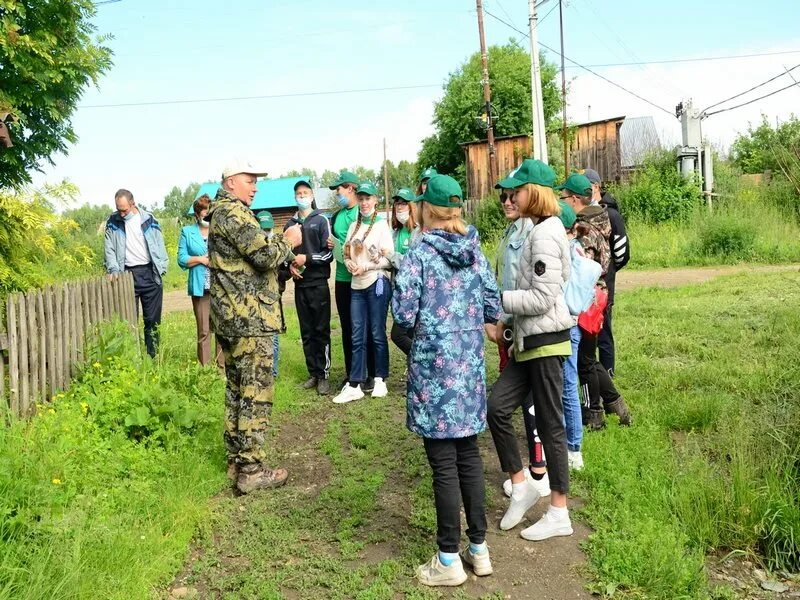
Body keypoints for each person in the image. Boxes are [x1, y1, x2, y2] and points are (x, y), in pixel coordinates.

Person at [393, 174, 501, 587]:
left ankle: (447, 559)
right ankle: (479, 549)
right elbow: (492, 303)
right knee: (469, 456)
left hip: (433, 371)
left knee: (443, 464)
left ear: (426, 209)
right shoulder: (475, 250)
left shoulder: (419, 254)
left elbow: (403, 316)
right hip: (469, 369)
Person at [486, 159, 574, 542]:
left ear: (533, 193)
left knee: (551, 426)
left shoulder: (545, 235)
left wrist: (496, 300)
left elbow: (542, 297)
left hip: (545, 342)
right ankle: (521, 486)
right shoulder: (537, 230)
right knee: (497, 409)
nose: (511, 196)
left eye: (517, 190)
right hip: (527, 341)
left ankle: (559, 511)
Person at [208, 160, 303, 494]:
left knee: (237, 388)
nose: (255, 186)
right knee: (255, 391)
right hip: (248, 319)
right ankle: (251, 468)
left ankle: (236, 459)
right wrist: (287, 239)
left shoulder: (223, 212)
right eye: (250, 180)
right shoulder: (232, 213)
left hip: (233, 316)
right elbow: (263, 256)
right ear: (231, 181)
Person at [492, 176, 551, 498]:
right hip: (512, 318)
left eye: (514, 196)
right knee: (519, 396)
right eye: (503, 197)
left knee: (529, 397)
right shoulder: (512, 230)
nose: (507, 202)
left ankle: (539, 472)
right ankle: (536, 469)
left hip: (522, 322)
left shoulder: (532, 232)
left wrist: (505, 324)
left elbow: (523, 285)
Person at [558, 173, 631, 430]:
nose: (561, 201)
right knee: (590, 357)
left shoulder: (585, 229)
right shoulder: (599, 219)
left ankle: (594, 413)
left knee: (585, 360)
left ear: (575, 199)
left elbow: (581, 270)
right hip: (597, 297)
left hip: (587, 300)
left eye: (563, 196)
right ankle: (616, 404)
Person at [331, 182, 394, 404]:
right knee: (356, 334)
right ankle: (355, 383)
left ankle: (380, 379)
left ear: (376, 200)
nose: (365, 203)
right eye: (362, 198)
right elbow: (347, 252)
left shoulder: (381, 226)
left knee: (377, 332)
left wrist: (366, 266)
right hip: (356, 285)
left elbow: (389, 259)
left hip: (375, 283)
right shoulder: (353, 227)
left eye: (369, 199)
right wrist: (348, 262)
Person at [104, 188, 168, 358]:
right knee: (128, 321)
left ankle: (152, 359)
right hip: (126, 275)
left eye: (124, 209)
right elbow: (109, 248)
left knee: (152, 322)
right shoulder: (113, 221)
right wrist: (113, 269)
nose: (121, 213)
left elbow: (159, 243)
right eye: (118, 209)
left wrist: (162, 266)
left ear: (133, 204)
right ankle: (132, 360)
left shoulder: (149, 219)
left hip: (149, 273)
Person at [327, 171, 376, 392]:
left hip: (364, 276)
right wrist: (331, 245)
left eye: (339, 189)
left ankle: (372, 373)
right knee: (347, 327)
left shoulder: (363, 211)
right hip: (342, 277)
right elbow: (336, 241)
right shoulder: (337, 217)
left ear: (350, 188)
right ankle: (352, 373)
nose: (337, 194)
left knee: (366, 327)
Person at [284, 179, 333, 395]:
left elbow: (329, 253)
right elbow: (284, 254)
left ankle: (324, 375)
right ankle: (312, 373)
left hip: (318, 284)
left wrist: (308, 258)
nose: (302, 196)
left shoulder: (321, 219)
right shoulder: (289, 224)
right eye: (299, 193)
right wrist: (290, 268)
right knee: (306, 332)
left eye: (305, 192)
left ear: (312, 195)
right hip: (300, 285)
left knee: (321, 330)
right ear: (294, 196)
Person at [583, 168, 630, 376]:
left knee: (604, 331)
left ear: (595, 187)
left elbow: (622, 253)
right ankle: (591, 375)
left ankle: (608, 375)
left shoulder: (612, 214)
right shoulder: (581, 213)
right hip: (584, 286)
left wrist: (608, 272)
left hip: (604, 284)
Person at [177, 194, 224, 367]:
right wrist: (201, 259)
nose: (207, 217)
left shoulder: (219, 230)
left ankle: (222, 368)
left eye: (209, 214)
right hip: (200, 287)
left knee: (221, 330)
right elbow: (181, 258)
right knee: (204, 330)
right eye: (204, 214)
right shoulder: (187, 232)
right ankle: (205, 369)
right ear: (197, 215)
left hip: (220, 287)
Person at [556, 200, 585, 471]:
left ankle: (574, 448)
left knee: (566, 386)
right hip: (574, 322)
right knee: (566, 384)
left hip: (566, 325)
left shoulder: (565, 250)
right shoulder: (577, 247)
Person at [388, 187, 419, 356]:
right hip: (397, 291)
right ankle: (416, 369)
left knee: (398, 335)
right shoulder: (394, 233)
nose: (399, 207)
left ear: (411, 207)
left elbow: (411, 264)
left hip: (412, 292)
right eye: (397, 204)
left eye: (404, 204)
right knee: (408, 334)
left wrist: (392, 256)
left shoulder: (418, 232)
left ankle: (422, 360)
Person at [257, 211, 285, 379]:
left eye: (269, 229)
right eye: (264, 229)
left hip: (274, 294)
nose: (267, 232)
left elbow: (285, 271)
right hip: (256, 295)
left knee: (273, 334)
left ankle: (272, 372)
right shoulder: (254, 244)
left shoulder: (278, 243)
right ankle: (261, 369)